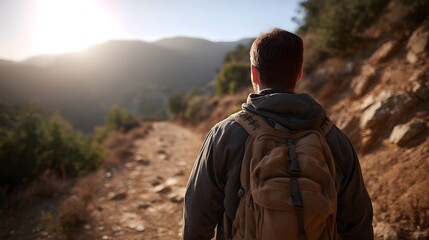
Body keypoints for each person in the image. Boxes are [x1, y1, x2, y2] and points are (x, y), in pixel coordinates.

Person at [183, 28, 373, 240]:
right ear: (299, 73)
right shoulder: (333, 138)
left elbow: (197, 220)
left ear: (254, 72)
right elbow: (358, 223)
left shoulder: (225, 134)